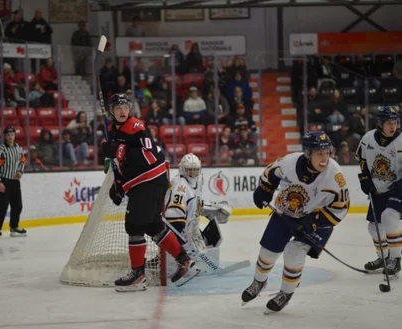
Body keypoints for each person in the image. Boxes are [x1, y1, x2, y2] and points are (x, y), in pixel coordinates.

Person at [101, 93, 200, 292]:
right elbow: (119, 164)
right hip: (142, 182)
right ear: (111, 111)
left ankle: (138, 275)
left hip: (151, 179)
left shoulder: (137, 126)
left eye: (125, 106)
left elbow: (148, 156)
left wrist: (119, 150)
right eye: (118, 107)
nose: (122, 110)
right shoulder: (112, 130)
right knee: (153, 225)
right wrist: (118, 184)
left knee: (134, 225)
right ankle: (185, 260)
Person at [242, 131, 349, 313]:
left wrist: (316, 222)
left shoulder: (334, 175)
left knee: (294, 252)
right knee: (267, 252)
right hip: (286, 213)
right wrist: (265, 189)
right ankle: (259, 282)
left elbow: (342, 205)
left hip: (316, 219)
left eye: (327, 153)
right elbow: (270, 173)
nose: (325, 158)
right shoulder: (289, 162)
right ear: (308, 154)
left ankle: (286, 292)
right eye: (319, 154)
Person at [162, 153, 231, 276]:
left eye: (195, 170)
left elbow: (194, 203)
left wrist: (213, 207)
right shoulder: (180, 186)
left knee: (205, 242)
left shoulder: (197, 181)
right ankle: (180, 265)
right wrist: (184, 241)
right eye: (189, 170)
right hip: (179, 227)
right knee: (195, 249)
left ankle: (196, 264)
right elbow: (174, 220)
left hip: (190, 224)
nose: (192, 172)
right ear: (182, 169)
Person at [355, 106, 402, 277]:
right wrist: (365, 178)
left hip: (397, 190)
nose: (393, 126)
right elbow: (362, 159)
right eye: (389, 123)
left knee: (389, 217)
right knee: (374, 227)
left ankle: (396, 260)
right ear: (380, 124)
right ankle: (383, 257)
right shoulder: (368, 138)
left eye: (395, 122)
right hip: (378, 190)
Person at [0, 126, 27, 240]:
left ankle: (14, 227)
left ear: (14, 136)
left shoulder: (18, 148)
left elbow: (22, 160)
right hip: (4, 181)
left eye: (12, 135)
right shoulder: (1, 150)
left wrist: (20, 171)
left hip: (15, 181)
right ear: (5, 136)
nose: (10, 137)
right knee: (2, 206)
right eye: (8, 135)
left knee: (17, 206)